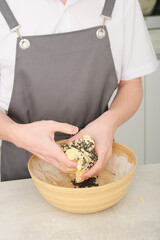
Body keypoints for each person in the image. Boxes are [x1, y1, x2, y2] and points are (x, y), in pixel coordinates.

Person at [0, 0, 158, 181]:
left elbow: (131, 85)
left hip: (96, 165)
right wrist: (16, 133)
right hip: (21, 178)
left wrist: (108, 123)